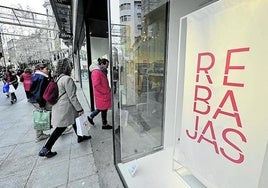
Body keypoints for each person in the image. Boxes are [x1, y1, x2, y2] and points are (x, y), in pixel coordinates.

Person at [39, 58, 90, 158]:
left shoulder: (59, 78)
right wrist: (80, 109)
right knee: (60, 129)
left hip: (62, 106)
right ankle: (46, 148)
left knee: (75, 121)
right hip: (65, 108)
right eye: (70, 65)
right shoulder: (67, 79)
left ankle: (80, 136)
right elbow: (72, 96)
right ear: (68, 67)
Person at [87, 58, 112, 130]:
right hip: (102, 95)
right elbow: (96, 85)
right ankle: (104, 124)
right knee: (103, 110)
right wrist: (105, 91)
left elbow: (102, 82)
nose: (107, 66)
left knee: (101, 108)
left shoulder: (100, 71)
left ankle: (91, 117)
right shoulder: (96, 72)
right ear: (101, 64)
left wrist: (108, 88)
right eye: (106, 65)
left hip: (102, 95)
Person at [29, 63, 51, 142]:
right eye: (46, 69)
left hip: (35, 99)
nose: (48, 70)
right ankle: (39, 135)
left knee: (39, 115)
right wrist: (41, 104)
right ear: (41, 69)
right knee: (42, 114)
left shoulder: (37, 76)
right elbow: (40, 92)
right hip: (38, 100)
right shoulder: (42, 77)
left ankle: (39, 135)